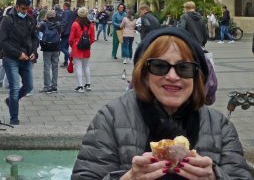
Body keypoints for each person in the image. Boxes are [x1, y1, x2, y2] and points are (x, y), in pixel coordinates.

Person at [71, 26, 252, 180]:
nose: (172, 76)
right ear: (143, 73)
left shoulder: (220, 126)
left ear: (197, 76)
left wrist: (216, 176)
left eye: (184, 68)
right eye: (159, 66)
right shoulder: (110, 119)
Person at [0, 0, 39, 125]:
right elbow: (3, 41)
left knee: (29, 86)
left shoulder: (30, 19)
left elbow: (34, 38)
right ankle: (14, 118)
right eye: (23, 9)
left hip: (26, 58)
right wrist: (18, 53)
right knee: (15, 88)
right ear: (17, 7)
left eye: (27, 9)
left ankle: (11, 101)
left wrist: (33, 52)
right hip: (11, 58)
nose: (25, 12)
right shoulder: (7, 20)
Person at [69, 7, 95, 92]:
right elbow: (92, 38)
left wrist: (72, 46)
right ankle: (88, 84)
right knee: (86, 66)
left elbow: (71, 39)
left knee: (78, 67)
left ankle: (80, 86)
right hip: (86, 48)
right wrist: (87, 44)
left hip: (77, 47)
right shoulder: (90, 25)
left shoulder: (75, 24)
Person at [37, 9, 61, 93]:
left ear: (47, 16)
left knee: (47, 67)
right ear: (54, 16)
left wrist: (44, 20)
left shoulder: (43, 24)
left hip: (47, 47)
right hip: (56, 47)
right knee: (55, 67)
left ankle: (47, 87)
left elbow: (38, 29)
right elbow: (61, 32)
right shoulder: (58, 24)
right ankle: (54, 86)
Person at [59, 2, 76, 67]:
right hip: (71, 32)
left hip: (66, 32)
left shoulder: (65, 12)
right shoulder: (72, 12)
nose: (62, 7)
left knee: (61, 47)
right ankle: (66, 62)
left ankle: (71, 58)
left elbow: (64, 22)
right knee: (66, 47)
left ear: (65, 6)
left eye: (63, 6)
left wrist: (61, 31)